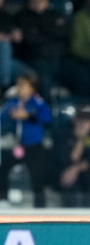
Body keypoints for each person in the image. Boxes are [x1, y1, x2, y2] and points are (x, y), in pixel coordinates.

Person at [0, 73, 51, 207]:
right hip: (18, 144)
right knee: (3, 168)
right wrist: (10, 114)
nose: (19, 88)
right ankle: (3, 200)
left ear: (31, 88)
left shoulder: (37, 102)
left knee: (37, 177)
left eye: (23, 85)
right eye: (18, 85)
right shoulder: (13, 102)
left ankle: (40, 206)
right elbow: (2, 117)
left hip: (34, 145)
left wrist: (28, 116)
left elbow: (47, 118)